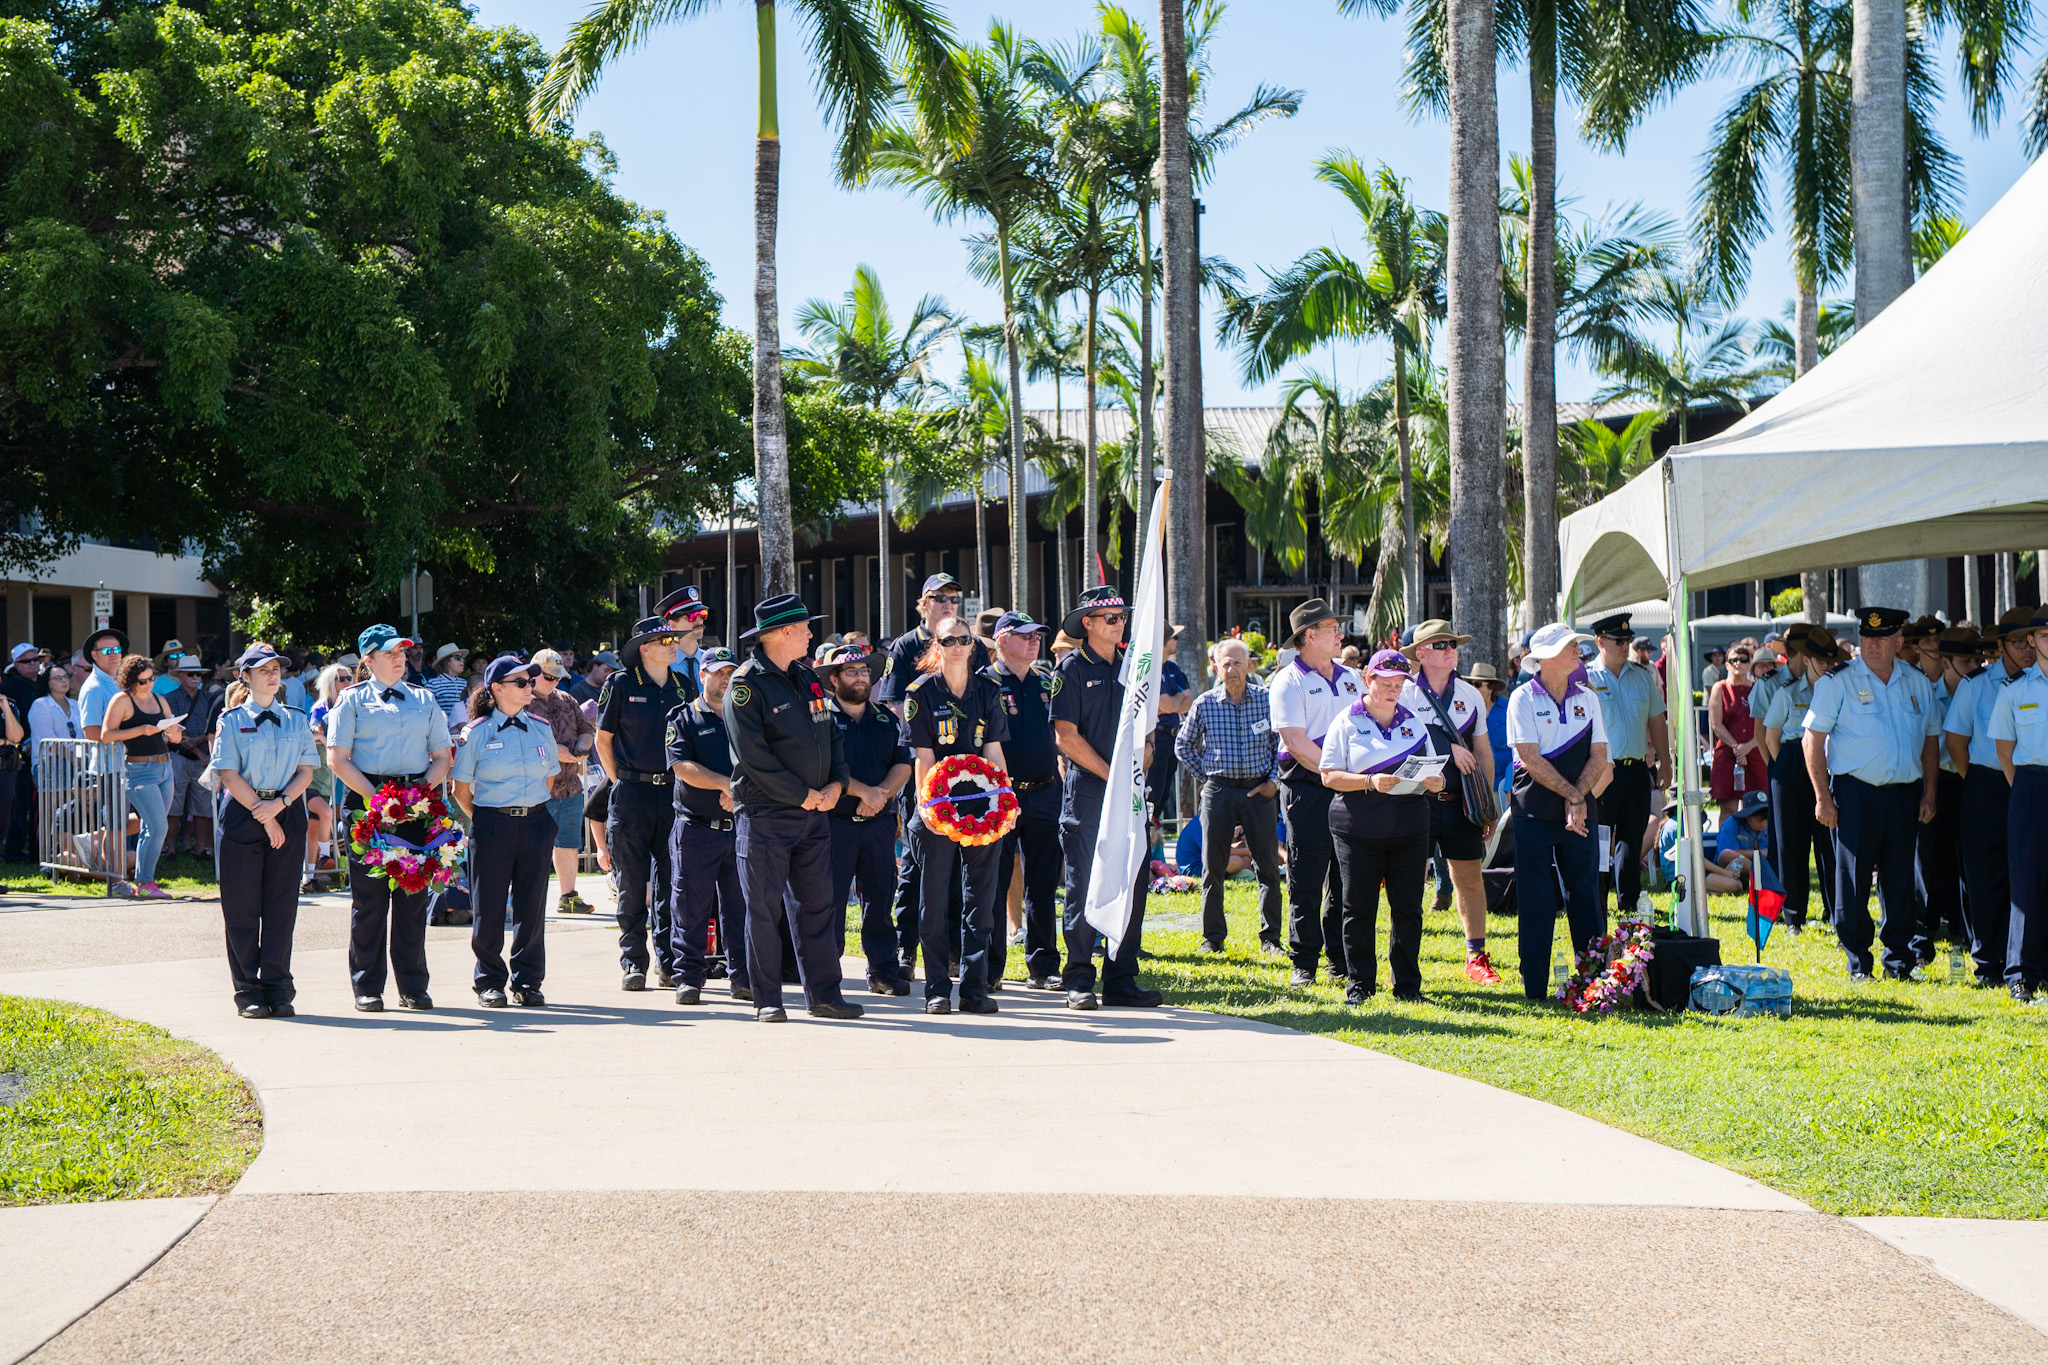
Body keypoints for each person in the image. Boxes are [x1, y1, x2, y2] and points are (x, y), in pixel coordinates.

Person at [723, 595, 864, 1022]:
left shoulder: (808, 678)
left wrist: (837, 784)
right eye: (804, 627)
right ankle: (767, 999)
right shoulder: (745, 685)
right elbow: (753, 756)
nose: (810, 633)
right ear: (784, 632)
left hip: (816, 813)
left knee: (818, 906)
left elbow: (833, 735)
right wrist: (801, 793)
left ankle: (824, 995)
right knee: (764, 909)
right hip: (767, 814)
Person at [1803, 606, 1942, 983]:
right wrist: (1822, 797)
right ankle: (1858, 961)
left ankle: (1898, 961)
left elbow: (1930, 739)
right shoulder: (1839, 681)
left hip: (1903, 794)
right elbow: (1811, 738)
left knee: (1899, 879)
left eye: (1882, 638)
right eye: (1867, 637)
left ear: (1899, 641)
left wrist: (1929, 792)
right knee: (1853, 879)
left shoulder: (1916, 682)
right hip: (1855, 793)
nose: (1873, 644)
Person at [325, 624, 455, 1012]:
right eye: (389, 653)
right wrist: (380, 800)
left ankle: (413, 986)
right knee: (370, 902)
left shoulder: (423, 698)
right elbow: (337, 759)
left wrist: (420, 796)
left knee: (413, 897)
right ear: (368, 661)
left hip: (415, 803)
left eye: (402, 652)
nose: (400, 658)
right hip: (369, 805)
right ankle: (368, 987)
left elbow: (442, 757)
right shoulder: (350, 701)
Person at [1050, 585, 1162, 1011]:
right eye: (1111, 618)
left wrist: (1146, 751)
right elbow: (1066, 737)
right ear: (1088, 624)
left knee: (1132, 878)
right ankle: (1078, 977)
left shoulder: (1136, 666)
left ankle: (1121, 977)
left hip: (1129, 790)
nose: (1119, 624)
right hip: (1090, 793)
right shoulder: (1071, 670)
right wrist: (1113, 776)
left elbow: (1146, 722)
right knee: (1084, 883)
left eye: (1122, 617)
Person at [901, 614, 1011, 1015]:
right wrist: (927, 807)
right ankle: (935, 989)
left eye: (964, 640)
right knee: (933, 903)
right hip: (936, 810)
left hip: (982, 809)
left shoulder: (989, 689)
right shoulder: (920, 693)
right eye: (948, 641)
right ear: (937, 645)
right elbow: (923, 758)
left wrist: (1005, 800)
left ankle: (975, 988)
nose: (957, 647)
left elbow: (994, 750)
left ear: (972, 644)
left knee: (980, 901)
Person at [1318, 650, 1442, 1004]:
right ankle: (1360, 985)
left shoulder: (1414, 721)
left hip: (1409, 827)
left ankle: (1407, 986)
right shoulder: (1345, 721)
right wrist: (1370, 781)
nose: (1392, 691)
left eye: (1398, 684)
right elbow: (1328, 776)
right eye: (1384, 683)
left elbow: (1435, 768)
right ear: (1367, 680)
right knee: (1358, 907)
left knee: (1407, 908)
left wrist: (1436, 782)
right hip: (1359, 828)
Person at [209, 645, 318, 1017]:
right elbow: (228, 773)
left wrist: (281, 806)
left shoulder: (296, 718)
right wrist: (265, 814)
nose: (272, 675)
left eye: (276, 669)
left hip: (286, 810)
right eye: (263, 670)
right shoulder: (231, 719)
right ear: (246, 676)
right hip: (245, 813)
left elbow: (306, 770)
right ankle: (248, 991)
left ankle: (278, 987)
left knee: (281, 905)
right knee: (242, 906)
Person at [1507, 623, 1611, 1002]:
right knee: (1536, 900)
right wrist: (1574, 796)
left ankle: (1595, 985)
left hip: (1580, 809)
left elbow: (1599, 755)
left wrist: (1578, 799)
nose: (1578, 651)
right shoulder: (1521, 698)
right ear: (1546, 657)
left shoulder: (1589, 697)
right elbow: (1530, 758)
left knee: (1586, 894)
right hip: (1533, 809)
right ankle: (1534, 988)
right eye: (1570, 646)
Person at [451, 656, 559, 1008]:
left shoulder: (542, 727)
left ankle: (528, 981)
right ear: (496, 688)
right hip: (493, 823)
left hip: (536, 821)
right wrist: (489, 817)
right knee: (490, 906)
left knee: (532, 906)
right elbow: (461, 789)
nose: (530, 686)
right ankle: (489, 981)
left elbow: (549, 778)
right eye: (521, 682)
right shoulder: (477, 733)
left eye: (531, 681)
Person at [1268, 598, 1364, 987]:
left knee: (1347, 877)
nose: (1341, 634)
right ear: (1309, 636)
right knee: (1306, 875)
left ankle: (1339, 959)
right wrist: (1337, 771)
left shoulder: (1352, 678)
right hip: (1308, 788)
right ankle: (1303, 960)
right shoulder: (1287, 681)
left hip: (1348, 788)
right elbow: (1295, 742)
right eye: (1331, 629)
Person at [1401, 620, 1503, 984]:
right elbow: (1398, 748)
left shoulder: (1471, 694)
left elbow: (1484, 754)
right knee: (1409, 883)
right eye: (1442, 645)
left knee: (1470, 881)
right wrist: (1447, 750)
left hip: (1462, 804)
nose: (1451, 650)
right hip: (1417, 802)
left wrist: (1487, 803)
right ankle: (1405, 960)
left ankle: (1476, 957)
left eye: (1453, 643)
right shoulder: (1403, 693)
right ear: (1422, 654)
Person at [1945, 605, 2038, 985]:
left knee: (2028, 874)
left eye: (2030, 641)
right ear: (2001, 645)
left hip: (2031, 784)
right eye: (2018, 642)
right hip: (1986, 784)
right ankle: (1987, 963)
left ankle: (2027, 957)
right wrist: (1979, 780)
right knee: (1985, 876)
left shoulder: (2040, 681)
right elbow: (1956, 742)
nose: (2027, 649)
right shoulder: (1976, 684)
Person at [813, 643, 912, 994]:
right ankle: (827, 975)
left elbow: (903, 762)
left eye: (865, 671)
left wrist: (881, 793)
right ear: (834, 678)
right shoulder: (819, 719)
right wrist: (862, 792)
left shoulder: (886, 718)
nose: (861, 677)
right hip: (833, 824)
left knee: (879, 899)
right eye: (852, 671)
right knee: (830, 901)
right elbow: (820, 768)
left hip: (878, 823)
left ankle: (884, 971)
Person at [594, 616, 686, 991]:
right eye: (664, 640)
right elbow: (603, 739)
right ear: (644, 648)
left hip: (673, 793)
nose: (672, 645)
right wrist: (620, 782)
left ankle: (667, 961)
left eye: (673, 639)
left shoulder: (684, 685)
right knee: (632, 882)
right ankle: (633, 960)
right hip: (632, 792)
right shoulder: (620, 683)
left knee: (670, 882)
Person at [1176, 637, 1284, 956]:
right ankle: (1212, 937)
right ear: (1215, 667)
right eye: (1226, 663)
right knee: (1213, 867)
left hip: (1258, 790)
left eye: (1238, 662)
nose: (1232, 669)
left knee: (1267, 866)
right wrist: (1207, 778)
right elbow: (1182, 746)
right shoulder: (1205, 703)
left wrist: (1273, 782)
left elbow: (1283, 746)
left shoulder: (1267, 700)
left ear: (1250, 665)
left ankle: (1271, 939)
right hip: (1219, 790)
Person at [664, 646, 753, 1004]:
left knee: (741, 908)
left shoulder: (746, 716)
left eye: (731, 673)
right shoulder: (683, 717)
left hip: (741, 827)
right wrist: (724, 784)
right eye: (718, 673)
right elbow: (681, 766)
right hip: (696, 828)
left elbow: (761, 760)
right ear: (702, 676)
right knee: (690, 907)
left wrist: (741, 790)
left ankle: (743, 977)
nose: (725, 679)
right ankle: (688, 977)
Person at [980, 612, 1063, 989]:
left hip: (1045, 791)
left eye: (1038, 635)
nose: (1035, 641)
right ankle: (992, 968)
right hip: (1002, 796)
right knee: (993, 884)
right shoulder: (985, 683)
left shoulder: (1047, 681)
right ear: (1002, 640)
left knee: (1044, 884)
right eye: (1025, 635)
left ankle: (1043, 966)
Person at [1582, 613, 1670, 924]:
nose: (1625, 645)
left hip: (1635, 770)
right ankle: (1598, 899)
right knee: (1601, 835)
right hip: (1601, 771)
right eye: (1618, 641)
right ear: (1600, 641)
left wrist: (1665, 762)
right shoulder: (1586, 678)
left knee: (1632, 837)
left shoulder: (1642, 676)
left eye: (1627, 640)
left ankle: (1629, 901)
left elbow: (1656, 721)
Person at [1760, 628, 1844, 932]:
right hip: (1793, 763)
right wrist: (1788, 765)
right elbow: (1771, 738)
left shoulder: (1837, 689)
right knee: (1790, 844)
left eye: (1830, 660)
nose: (1825, 665)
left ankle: (1836, 913)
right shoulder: (1787, 692)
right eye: (1820, 660)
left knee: (1829, 844)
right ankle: (1793, 915)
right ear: (1806, 659)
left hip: (1827, 763)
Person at [1989, 612, 2048, 1003]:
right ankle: (2022, 973)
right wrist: (2027, 791)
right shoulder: (2015, 690)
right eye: (2045, 634)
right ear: (2032, 640)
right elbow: (2005, 751)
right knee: (2027, 879)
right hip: (2031, 783)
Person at [1915, 625, 1980, 962]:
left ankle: (1969, 933)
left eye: (1976, 660)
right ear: (1946, 662)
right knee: (1930, 861)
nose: (1974, 667)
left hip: (1971, 780)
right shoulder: (1927, 694)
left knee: (1971, 862)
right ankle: (1922, 938)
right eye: (1966, 661)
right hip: (1937, 780)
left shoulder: (1981, 690)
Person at [98, 654, 184, 898]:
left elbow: (175, 738)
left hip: (164, 767)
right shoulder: (121, 700)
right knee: (158, 826)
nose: (149, 684)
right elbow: (106, 735)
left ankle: (145, 882)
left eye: (152, 678)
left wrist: (174, 730)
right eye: (143, 681)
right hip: (138, 770)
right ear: (131, 680)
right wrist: (140, 730)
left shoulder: (160, 699)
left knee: (153, 827)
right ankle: (145, 883)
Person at [527, 649, 596, 915]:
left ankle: (568, 896)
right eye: (548, 677)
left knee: (568, 843)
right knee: (530, 846)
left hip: (569, 786)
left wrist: (582, 747)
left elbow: (586, 729)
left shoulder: (567, 699)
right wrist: (553, 749)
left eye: (558, 677)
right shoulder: (520, 701)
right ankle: (523, 897)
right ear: (533, 674)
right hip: (535, 789)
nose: (554, 682)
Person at [163, 654, 219, 859]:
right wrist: (197, 748)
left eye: (199, 674)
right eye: (190, 674)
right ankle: (170, 849)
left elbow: (213, 726)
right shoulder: (170, 698)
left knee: (203, 806)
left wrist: (198, 745)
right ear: (181, 676)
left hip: (202, 757)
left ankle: (201, 848)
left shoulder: (209, 699)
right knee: (174, 805)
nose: (195, 677)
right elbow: (174, 729)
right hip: (179, 756)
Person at [1707, 644, 1765, 815]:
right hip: (1727, 752)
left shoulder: (1759, 687)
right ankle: (1727, 842)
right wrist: (1738, 749)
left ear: (1749, 663)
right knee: (1728, 808)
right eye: (1733, 660)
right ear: (1727, 665)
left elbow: (1767, 723)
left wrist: (1748, 746)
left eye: (1743, 659)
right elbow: (1716, 724)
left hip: (1755, 752)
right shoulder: (1720, 688)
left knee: (1758, 809)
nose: (1738, 663)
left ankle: (1756, 843)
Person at [1147, 627, 1194, 821]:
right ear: (1165, 641)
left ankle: (1154, 834)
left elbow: (1190, 700)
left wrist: (1170, 704)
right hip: (1156, 735)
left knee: (1164, 792)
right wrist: (1177, 699)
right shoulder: (1151, 667)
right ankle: (1148, 833)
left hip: (1173, 736)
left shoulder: (1172, 667)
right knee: (1154, 792)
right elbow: (1167, 703)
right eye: (1175, 637)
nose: (1177, 641)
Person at [3, 643, 43, 862]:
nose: (33, 665)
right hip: (20, 753)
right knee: (19, 805)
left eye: (35, 659)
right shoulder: (10, 686)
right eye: (26, 661)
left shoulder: (47, 683)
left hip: (43, 751)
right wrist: (23, 743)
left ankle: (38, 851)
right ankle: (13, 851)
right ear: (16, 664)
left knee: (39, 804)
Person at [1700, 791, 1772, 895]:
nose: (1764, 823)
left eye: (1766, 819)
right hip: (1726, 869)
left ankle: (1758, 879)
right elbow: (1725, 855)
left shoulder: (1770, 826)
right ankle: (1764, 879)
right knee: (1735, 858)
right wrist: (1760, 853)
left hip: (1752, 871)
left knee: (1736, 885)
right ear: (1748, 816)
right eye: (1759, 819)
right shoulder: (1732, 823)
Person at [655, 585, 711, 702]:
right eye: (692, 616)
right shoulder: (662, 666)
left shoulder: (711, 662)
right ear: (672, 625)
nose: (699, 620)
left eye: (702, 614)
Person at [425, 644, 468, 722]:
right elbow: (426, 712)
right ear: (446, 662)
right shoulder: (433, 685)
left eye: (462, 657)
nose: (462, 660)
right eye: (457, 657)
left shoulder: (466, 683)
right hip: (442, 732)